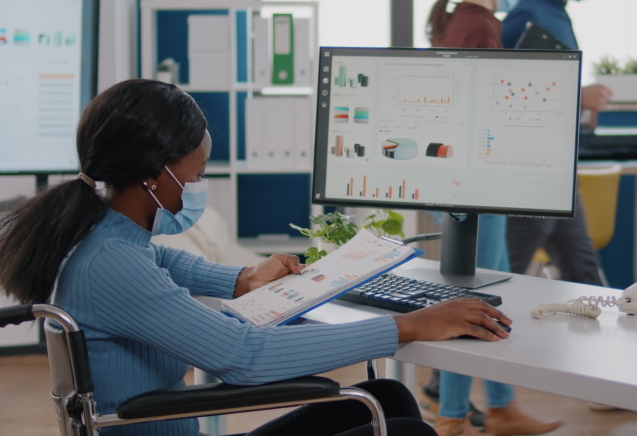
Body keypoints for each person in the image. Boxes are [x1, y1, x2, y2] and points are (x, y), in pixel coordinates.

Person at [0, 79, 514, 436]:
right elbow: (246, 358)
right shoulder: (110, 265)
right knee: (398, 427)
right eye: (196, 176)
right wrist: (411, 326)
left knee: (387, 399)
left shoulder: (104, 236)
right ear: (154, 176)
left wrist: (245, 277)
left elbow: (171, 265)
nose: (199, 187)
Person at [425, 0, 562, 435]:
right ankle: (452, 417)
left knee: (492, 295)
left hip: (465, 180)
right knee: (472, 300)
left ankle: (501, 407)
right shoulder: (480, 26)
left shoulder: (458, 20)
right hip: (478, 183)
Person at [499, 0, 611, 286]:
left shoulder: (553, 11)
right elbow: (508, 94)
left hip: (556, 173)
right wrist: (579, 96)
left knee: (583, 271)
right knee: (503, 272)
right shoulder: (531, 16)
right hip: (532, 173)